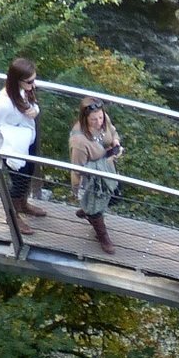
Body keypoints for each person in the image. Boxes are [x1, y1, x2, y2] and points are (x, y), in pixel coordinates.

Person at [0, 57, 47, 235]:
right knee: (18, 180)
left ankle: (23, 204)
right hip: (14, 145)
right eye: (30, 81)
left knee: (28, 173)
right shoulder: (4, 103)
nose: (33, 85)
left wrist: (35, 111)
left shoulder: (24, 90)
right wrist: (11, 133)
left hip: (28, 139)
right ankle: (12, 215)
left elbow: (33, 106)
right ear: (17, 80)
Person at [68, 98, 124, 255]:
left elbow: (112, 131)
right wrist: (76, 190)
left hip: (107, 171)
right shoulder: (79, 141)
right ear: (85, 119)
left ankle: (87, 210)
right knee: (95, 208)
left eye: (100, 117)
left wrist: (115, 143)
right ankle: (102, 236)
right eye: (94, 119)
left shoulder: (104, 120)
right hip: (91, 180)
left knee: (113, 197)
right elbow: (77, 169)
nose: (99, 122)